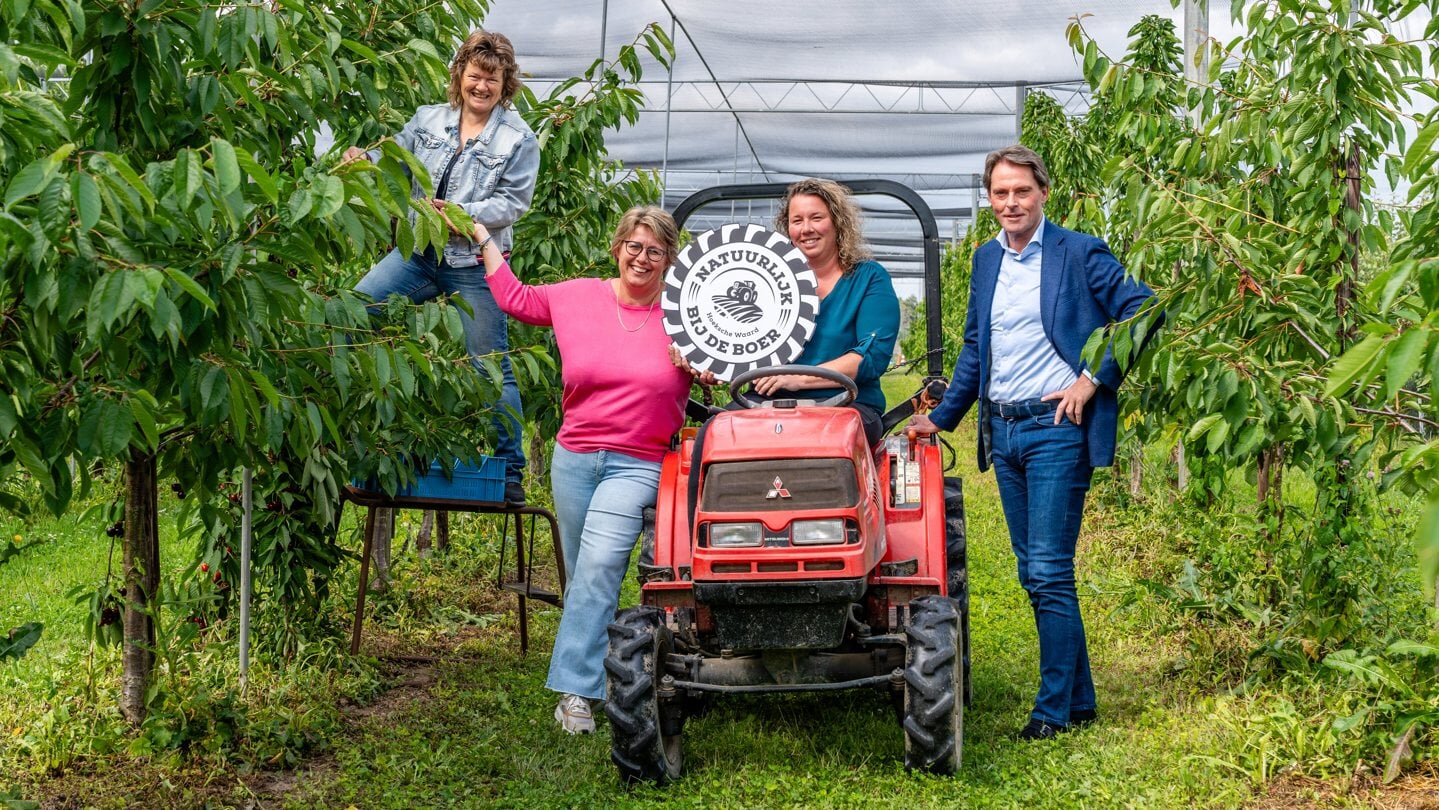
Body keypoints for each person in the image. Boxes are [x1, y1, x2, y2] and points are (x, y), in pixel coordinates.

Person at [907, 145, 1159, 740]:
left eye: (1021, 190)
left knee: (1047, 570)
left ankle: (1051, 713)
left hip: (1056, 428)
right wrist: (942, 419)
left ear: (1043, 192)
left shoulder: (1079, 252)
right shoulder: (987, 260)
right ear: (989, 199)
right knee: (1034, 572)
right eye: (1000, 193)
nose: (1011, 202)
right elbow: (975, 346)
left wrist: (1092, 379)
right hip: (1007, 427)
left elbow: (1143, 311)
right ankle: (1081, 700)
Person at [470, 207, 694, 735]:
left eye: (655, 250)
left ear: (668, 259)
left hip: (639, 462)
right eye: (634, 246)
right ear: (617, 248)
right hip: (573, 458)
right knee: (584, 575)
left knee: (597, 568)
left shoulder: (684, 315)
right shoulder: (576, 296)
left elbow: (722, 364)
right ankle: (621, 658)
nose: (642, 258)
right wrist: (482, 236)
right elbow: (514, 298)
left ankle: (576, 692)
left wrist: (702, 369)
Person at [345, 30, 539, 506]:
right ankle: (359, 440)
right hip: (418, 252)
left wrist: (458, 215)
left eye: (492, 79)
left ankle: (510, 470)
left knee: (490, 363)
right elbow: (395, 155)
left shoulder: (519, 138)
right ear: (460, 75)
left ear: (505, 83)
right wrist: (363, 159)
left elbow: (513, 203)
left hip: (474, 262)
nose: (482, 86)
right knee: (349, 311)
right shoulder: (428, 119)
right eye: (475, 75)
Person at [683, 178, 898, 445]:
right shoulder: (768, 281)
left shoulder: (868, 278)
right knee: (711, 437)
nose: (806, 229)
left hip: (846, 404)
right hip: (767, 402)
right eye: (797, 221)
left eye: (816, 218)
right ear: (788, 228)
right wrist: (718, 365)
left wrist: (797, 378)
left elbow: (870, 359)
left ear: (838, 222)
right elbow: (742, 340)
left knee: (821, 440)